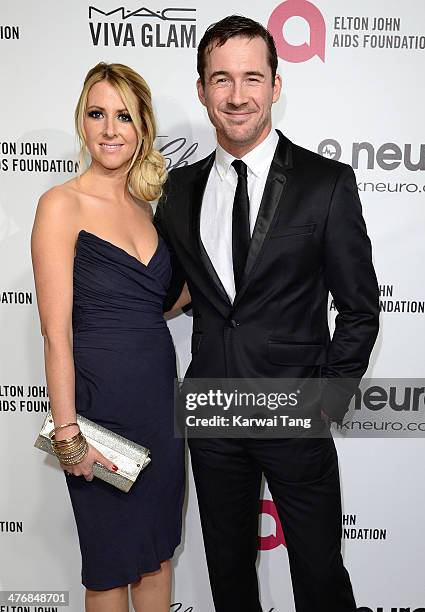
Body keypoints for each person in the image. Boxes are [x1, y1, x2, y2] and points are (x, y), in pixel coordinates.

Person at [155, 15, 380, 612]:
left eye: (252, 78)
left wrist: (327, 401)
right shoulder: (177, 190)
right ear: (203, 89)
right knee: (228, 578)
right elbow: (168, 291)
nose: (237, 95)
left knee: (319, 574)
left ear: (276, 85)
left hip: (294, 414)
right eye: (221, 79)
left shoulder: (325, 183)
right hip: (211, 416)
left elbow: (360, 306)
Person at [31, 62, 185, 612]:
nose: (110, 129)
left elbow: (160, 300)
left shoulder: (147, 211)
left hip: (161, 409)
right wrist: (68, 431)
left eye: (124, 116)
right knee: (108, 566)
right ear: (82, 122)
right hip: (99, 415)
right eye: (98, 114)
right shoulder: (60, 205)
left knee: (157, 555)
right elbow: (55, 334)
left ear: (143, 126)